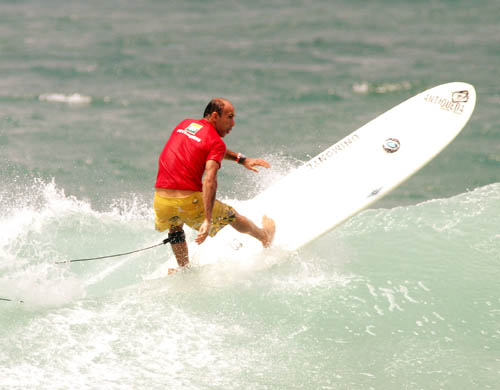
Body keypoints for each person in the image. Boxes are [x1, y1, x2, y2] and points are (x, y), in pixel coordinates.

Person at [154, 98, 275, 269]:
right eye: (230, 117)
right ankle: (264, 236)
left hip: (161, 200)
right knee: (231, 215)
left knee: (175, 227)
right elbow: (209, 179)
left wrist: (241, 159)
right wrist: (207, 219)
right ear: (215, 116)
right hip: (189, 201)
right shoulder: (216, 142)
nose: (233, 123)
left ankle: (184, 269)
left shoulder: (186, 125)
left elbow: (205, 146)